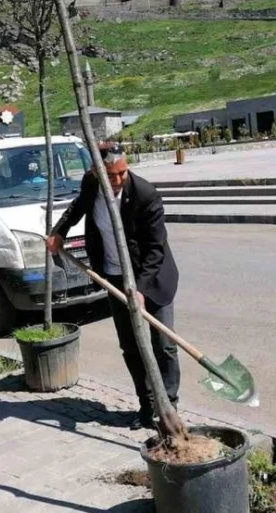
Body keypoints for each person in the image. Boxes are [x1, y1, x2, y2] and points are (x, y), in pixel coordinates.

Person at [46, 142, 180, 430]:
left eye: (122, 173)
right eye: (111, 175)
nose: (118, 181)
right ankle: (146, 406)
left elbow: (156, 249)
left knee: (164, 344)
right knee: (130, 346)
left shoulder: (145, 194)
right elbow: (76, 208)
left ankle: (168, 407)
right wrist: (59, 232)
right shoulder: (92, 184)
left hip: (152, 280)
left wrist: (141, 289)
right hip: (114, 277)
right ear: (96, 172)